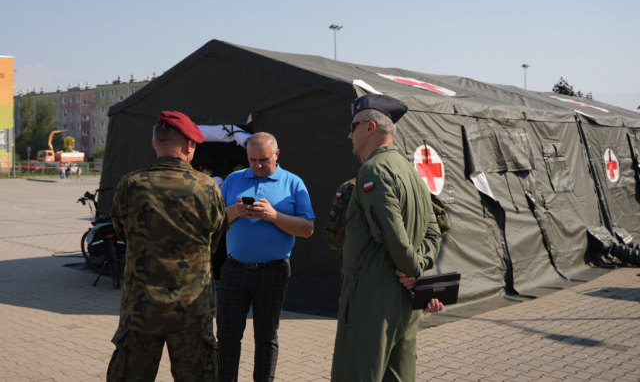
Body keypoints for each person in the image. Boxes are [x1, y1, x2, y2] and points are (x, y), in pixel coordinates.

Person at [107, 110, 228, 381]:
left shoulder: (131, 184)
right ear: (189, 146)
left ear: (154, 143)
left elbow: (121, 230)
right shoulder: (207, 187)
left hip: (141, 309)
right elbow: (215, 239)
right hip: (191, 311)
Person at [331, 94, 444, 382]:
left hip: (372, 297)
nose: (349, 134)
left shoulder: (373, 169)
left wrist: (414, 271)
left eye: (353, 125)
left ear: (370, 127)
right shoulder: (412, 173)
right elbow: (434, 232)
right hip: (405, 300)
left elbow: (393, 235)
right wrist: (419, 267)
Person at [216, 132, 315, 382]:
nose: (258, 165)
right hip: (234, 268)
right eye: (252, 160)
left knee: (266, 337)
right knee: (227, 336)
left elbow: (308, 229)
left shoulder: (294, 183)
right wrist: (235, 211)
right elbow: (212, 222)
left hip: (273, 270)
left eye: (264, 160)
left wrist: (274, 216)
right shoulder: (233, 180)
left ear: (277, 155)